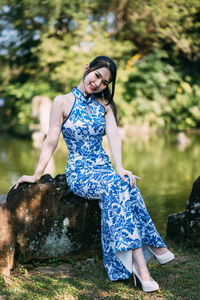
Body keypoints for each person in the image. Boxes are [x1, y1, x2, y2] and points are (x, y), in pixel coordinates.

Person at [15, 56, 175, 293]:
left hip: (104, 170)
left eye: (104, 82)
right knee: (119, 186)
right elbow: (51, 141)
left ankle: (138, 269)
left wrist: (120, 168)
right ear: (86, 68)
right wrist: (37, 174)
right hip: (80, 173)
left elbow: (114, 138)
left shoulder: (105, 105)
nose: (98, 83)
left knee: (126, 184)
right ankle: (146, 264)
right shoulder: (62, 102)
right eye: (97, 75)